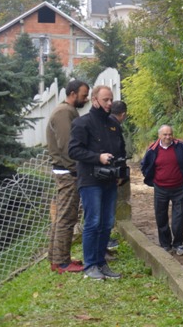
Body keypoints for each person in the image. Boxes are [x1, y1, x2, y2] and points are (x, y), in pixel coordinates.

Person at [69, 85, 126, 280]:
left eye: (111, 99)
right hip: (90, 180)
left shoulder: (113, 123)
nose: (110, 103)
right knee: (93, 221)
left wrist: (122, 173)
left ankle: (101, 262)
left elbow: (121, 150)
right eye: (105, 100)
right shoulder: (81, 123)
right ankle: (90, 265)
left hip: (110, 180)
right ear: (94, 100)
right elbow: (74, 151)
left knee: (107, 222)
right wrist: (97, 157)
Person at [46, 79, 90, 273]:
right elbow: (67, 145)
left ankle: (55, 258)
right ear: (73, 94)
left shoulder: (67, 111)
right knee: (66, 217)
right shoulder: (64, 113)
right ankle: (62, 262)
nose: (86, 98)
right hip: (67, 171)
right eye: (83, 95)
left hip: (65, 170)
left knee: (63, 216)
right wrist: (76, 169)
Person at [140, 124, 183, 256]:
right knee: (161, 217)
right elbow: (144, 165)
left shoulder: (181, 146)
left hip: (178, 187)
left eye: (170, 134)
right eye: (165, 134)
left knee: (179, 217)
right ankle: (165, 244)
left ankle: (178, 243)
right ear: (159, 136)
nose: (168, 137)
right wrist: (151, 179)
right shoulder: (153, 149)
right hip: (160, 188)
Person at [108, 100, 130, 246]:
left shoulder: (104, 123)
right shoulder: (113, 127)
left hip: (106, 171)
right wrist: (121, 173)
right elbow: (118, 151)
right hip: (111, 173)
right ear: (123, 114)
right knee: (108, 207)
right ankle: (106, 240)